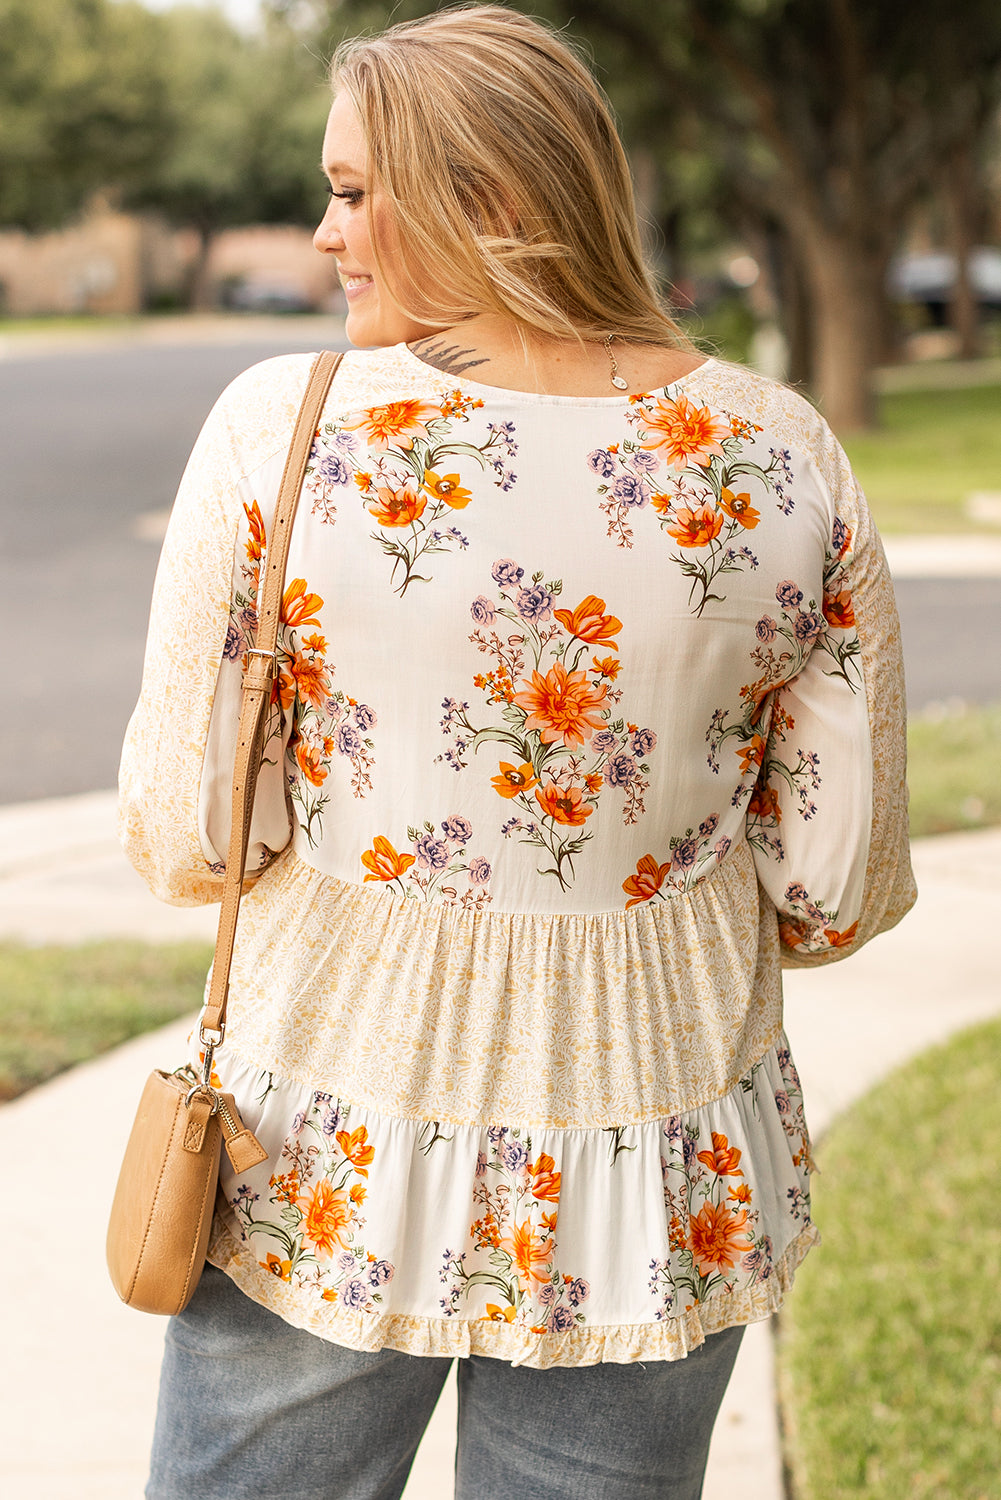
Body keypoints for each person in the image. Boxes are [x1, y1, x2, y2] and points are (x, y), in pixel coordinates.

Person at [119, 6, 916, 1497]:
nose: (320, 231)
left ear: (484, 195)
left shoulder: (283, 432)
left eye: (355, 192)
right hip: (655, 1143)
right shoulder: (783, 451)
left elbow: (189, 829)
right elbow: (834, 882)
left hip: (328, 1133)